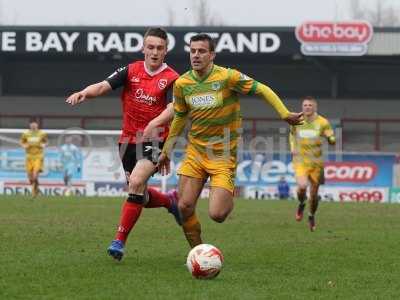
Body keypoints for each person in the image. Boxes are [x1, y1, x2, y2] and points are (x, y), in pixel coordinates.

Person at [156, 33, 303, 248]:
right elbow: (179, 116)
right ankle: (198, 253)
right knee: (184, 207)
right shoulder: (182, 83)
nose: (196, 55)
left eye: (202, 51)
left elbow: (262, 88)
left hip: (223, 155)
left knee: (217, 214)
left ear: (212, 55)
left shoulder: (227, 77)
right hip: (195, 152)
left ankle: (226, 194)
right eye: (193, 51)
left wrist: (283, 113)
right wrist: (167, 150)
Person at [66, 27, 181, 261]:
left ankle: (118, 241)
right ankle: (170, 200)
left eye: (159, 48)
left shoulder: (172, 79)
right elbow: (102, 86)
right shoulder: (131, 70)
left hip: (155, 140)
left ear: (166, 51)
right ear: (143, 48)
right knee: (139, 194)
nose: (154, 52)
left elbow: (173, 109)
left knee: (137, 182)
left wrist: (156, 127)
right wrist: (84, 92)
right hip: (127, 141)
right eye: (150, 47)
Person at [289, 96, 335, 231]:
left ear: (315, 107)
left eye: (310, 105)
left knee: (314, 195)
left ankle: (311, 215)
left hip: (317, 163)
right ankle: (302, 203)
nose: (307, 107)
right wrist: (292, 147)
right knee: (302, 186)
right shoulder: (297, 120)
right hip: (301, 160)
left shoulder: (323, 122)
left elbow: (330, 136)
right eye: (305, 105)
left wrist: (331, 139)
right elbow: (292, 135)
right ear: (302, 107)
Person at [20, 119, 48, 197]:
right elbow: (22, 142)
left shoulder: (42, 133)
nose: (33, 125)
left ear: (37, 125)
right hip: (29, 156)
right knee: (30, 177)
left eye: (34, 124)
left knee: (35, 175)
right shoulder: (25, 134)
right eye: (31, 124)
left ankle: (34, 193)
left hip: (38, 156)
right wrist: (24, 145)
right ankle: (36, 188)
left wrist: (44, 145)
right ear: (29, 125)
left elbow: (45, 142)